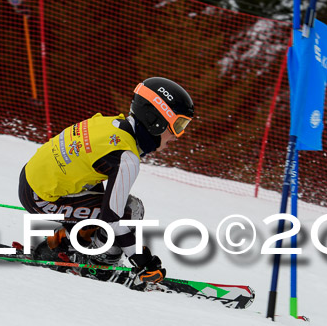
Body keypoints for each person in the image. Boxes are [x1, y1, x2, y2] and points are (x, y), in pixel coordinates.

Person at [18, 77, 195, 289]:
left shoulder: (113, 124)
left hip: (32, 181)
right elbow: (113, 219)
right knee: (131, 211)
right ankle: (98, 266)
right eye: (178, 125)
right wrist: (142, 261)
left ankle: (63, 246)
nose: (178, 135)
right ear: (156, 121)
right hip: (42, 197)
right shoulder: (125, 157)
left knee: (110, 204)